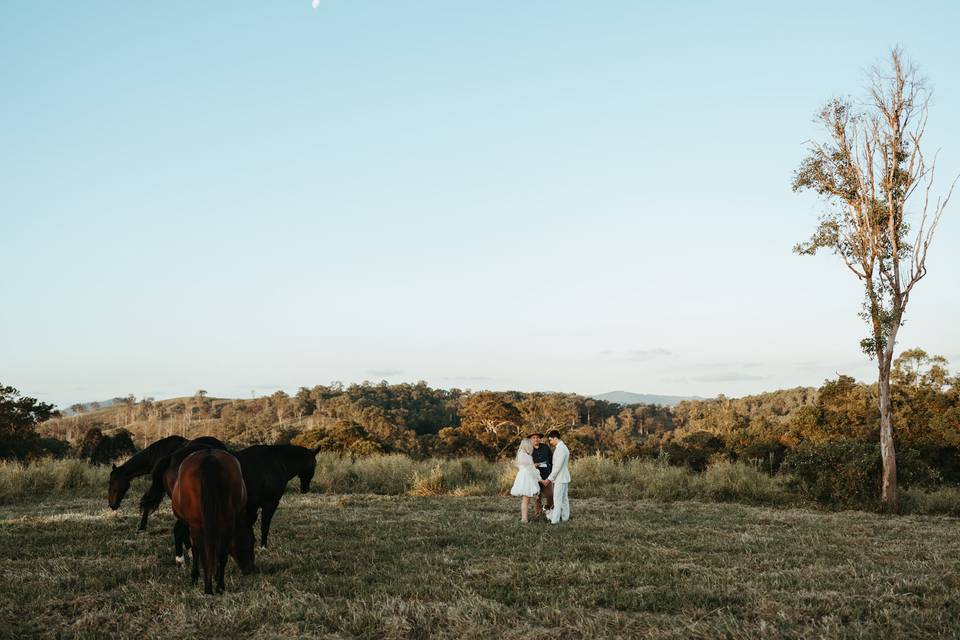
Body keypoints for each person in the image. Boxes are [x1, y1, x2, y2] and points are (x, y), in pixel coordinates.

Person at [540, 430, 570, 524]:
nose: (550, 442)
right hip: (562, 477)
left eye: (551, 440)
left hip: (560, 478)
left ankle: (555, 520)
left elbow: (557, 467)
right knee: (564, 499)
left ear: (555, 438)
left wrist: (549, 479)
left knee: (557, 500)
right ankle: (565, 517)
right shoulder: (562, 448)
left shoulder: (561, 449)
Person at [509, 438, 541, 523]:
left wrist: (533, 466)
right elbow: (528, 467)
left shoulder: (525, 454)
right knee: (526, 499)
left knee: (527, 499)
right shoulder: (523, 454)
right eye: (530, 444)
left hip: (527, 476)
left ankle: (525, 518)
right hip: (526, 477)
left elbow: (528, 466)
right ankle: (524, 519)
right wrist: (534, 466)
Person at [529, 432, 553, 517]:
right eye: (534, 437)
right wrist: (533, 466)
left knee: (550, 495)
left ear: (540, 439)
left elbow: (551, 460)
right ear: (531, 440)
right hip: (535, 477)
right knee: (537, 497)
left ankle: (548, 510)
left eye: (537, 437)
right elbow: (526, 464)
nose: (536, 439)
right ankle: (537, 514)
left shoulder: (545, 447)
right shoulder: (529, 450)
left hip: (547, 476)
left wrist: (552, 473)